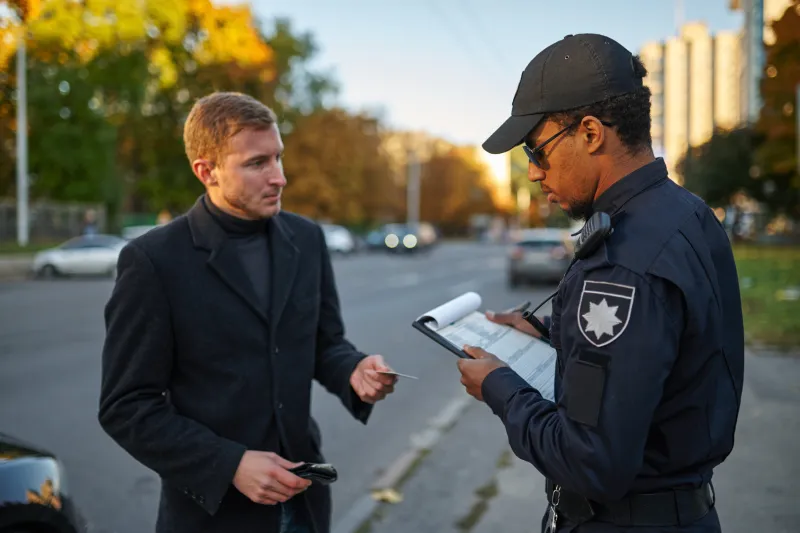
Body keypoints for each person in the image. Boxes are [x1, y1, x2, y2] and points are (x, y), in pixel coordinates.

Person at [456, 34, 744, 532]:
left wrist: (498, 386)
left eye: (536, 149)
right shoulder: (684, 213)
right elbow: (658, 350)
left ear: (590, 133)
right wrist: (552, 333)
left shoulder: (621, 263)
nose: (531, 172)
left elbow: (590, 461)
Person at [98, 91, 398, 533]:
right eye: (257, 163)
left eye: (278, 158)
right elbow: (126, 406)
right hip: (213, 515)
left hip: (305, 500)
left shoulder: (308, 239)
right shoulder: (153, 260)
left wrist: (354, 371)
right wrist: (230, 463)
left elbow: (323, 342)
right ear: (207, 171)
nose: (279, 178)